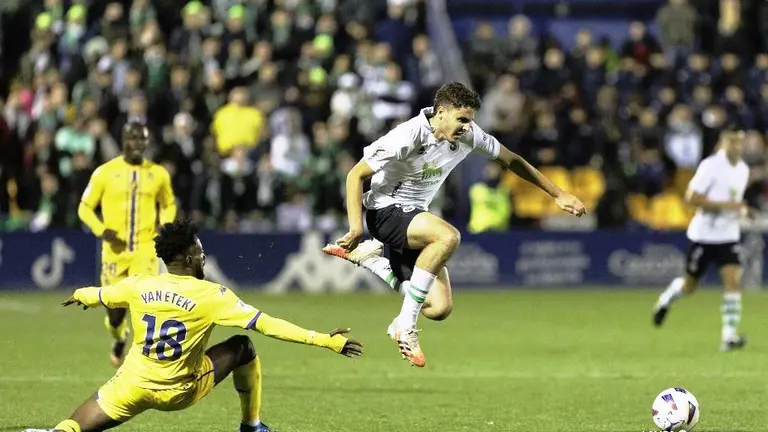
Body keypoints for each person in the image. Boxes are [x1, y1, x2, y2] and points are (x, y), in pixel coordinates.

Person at [322, 82, 586, 367]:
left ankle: (373, 261)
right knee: (448, 237)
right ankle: (403, 324)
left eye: (470, 120)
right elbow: (354, 175)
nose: (466, 126)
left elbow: (512, 160)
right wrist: (356, 228)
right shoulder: (407, 136)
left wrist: (558, 193)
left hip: (415, 217)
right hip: (385, 212)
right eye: (462, 119)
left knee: (439, 308)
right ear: (441, 112)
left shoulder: (470, 135)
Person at [23, 219, 363, 432]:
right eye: (200, 252)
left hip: (131, 385)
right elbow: (268, 325)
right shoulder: (212, 295)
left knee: (71, 427)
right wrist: (323, 340)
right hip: (178, 390)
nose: (204, 256)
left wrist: (78, 294)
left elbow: (102, 294)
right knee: (243, 346)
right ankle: (252, 426)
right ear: (188, 259)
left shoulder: (141, 283)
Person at [78, 121, 177, 367]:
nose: (138, 144)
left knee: (145, 304)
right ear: (123, 140)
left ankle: (144, 359)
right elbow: (84, 207)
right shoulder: (105, 172)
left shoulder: (158, 173)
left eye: (142, 139)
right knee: (114, 312)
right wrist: (102, 230)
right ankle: (119, 335)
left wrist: (164, 226)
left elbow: (169, 204)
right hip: (115, 251)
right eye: (133, 138)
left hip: (145, 249)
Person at [653, 129, 751, 351]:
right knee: (690, 285)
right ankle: (667, 299)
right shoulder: (710, 166)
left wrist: (743, 209)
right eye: (731, 141)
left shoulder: (743, 170)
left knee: (733, 281)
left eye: (739, 141)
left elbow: (734, 201)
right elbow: (691, 197)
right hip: (704, 236)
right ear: (722, 142)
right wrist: (725, 206)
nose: (736, 146)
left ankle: (728, 337)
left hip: (728, 235)